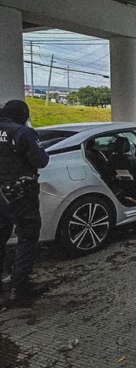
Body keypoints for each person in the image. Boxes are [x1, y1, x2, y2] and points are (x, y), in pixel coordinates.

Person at [0, 100, 49, 305]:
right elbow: (41, 161)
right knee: (28, 236)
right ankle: (20, 288)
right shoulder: (23, 133)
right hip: (19, 193)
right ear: (22, 114)